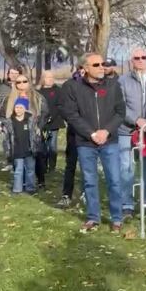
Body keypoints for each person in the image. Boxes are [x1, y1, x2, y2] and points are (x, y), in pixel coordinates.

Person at [59, 52, 126, 233]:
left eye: (102, 63)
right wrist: (91, 134)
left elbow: (120, 112)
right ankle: (93, 217)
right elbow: (71, 114)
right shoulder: (73, 87)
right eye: (96, 65)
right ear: (85, 68)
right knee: (89, 181)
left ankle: (117, 218)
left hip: (109, 140)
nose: (101, 67)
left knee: (114, 180)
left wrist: (106, 131)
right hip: (85, 142)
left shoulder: (113, 85)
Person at [118, 48, 146, 219]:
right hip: (127, 131)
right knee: (126, 168)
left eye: (143, 57)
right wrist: (136, 120)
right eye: (136, 58)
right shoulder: (122, 81)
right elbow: (120, 106)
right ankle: (127, 205)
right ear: (131, 60)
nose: (140, 60)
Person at [4, 74, 48, 188]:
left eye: (24, 81)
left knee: (36, 156)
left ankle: (40, 180)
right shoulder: (11, 98)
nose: (22, 84)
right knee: (17, 156)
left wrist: (39, 127)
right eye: (18, 82)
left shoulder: (37, 97)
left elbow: (44, 113)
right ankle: (21, 182)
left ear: (29, 82)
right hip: (17, 131)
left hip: (34, 130)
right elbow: (6, 115)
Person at [56, 64, 86, 208]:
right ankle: (66, 194)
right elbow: (61, 106)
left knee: (88, 166)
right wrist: (72, 120)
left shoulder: (95, 84)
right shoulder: (69, 85)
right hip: (74, 131)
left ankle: (87, 194)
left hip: (90, 132)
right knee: (71, 164)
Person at [2, 98, 41, 195]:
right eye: (16, 107)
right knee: (18, 171)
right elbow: (7, 138)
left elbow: (35, 135)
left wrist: (36, 145)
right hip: (17, 150)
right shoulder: (10, 121)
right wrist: (8, 150)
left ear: (25, 109)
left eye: (20, 107)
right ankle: (17, 189)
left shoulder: (31, 120)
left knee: (30, 170)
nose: (18, 110)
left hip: (29, 149)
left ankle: (30, 188)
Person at [38, 70, 65, 173]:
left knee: (52, 145)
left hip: (54, 121)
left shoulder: (57, 90)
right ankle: (43, 166)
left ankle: (52, 166)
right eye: (48, 77)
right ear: (43, 79)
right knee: (42, 145)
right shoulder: (39, 92)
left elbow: (59, 105)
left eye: (52, 77)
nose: (50, 79)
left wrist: (51, 117)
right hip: (41, 122)